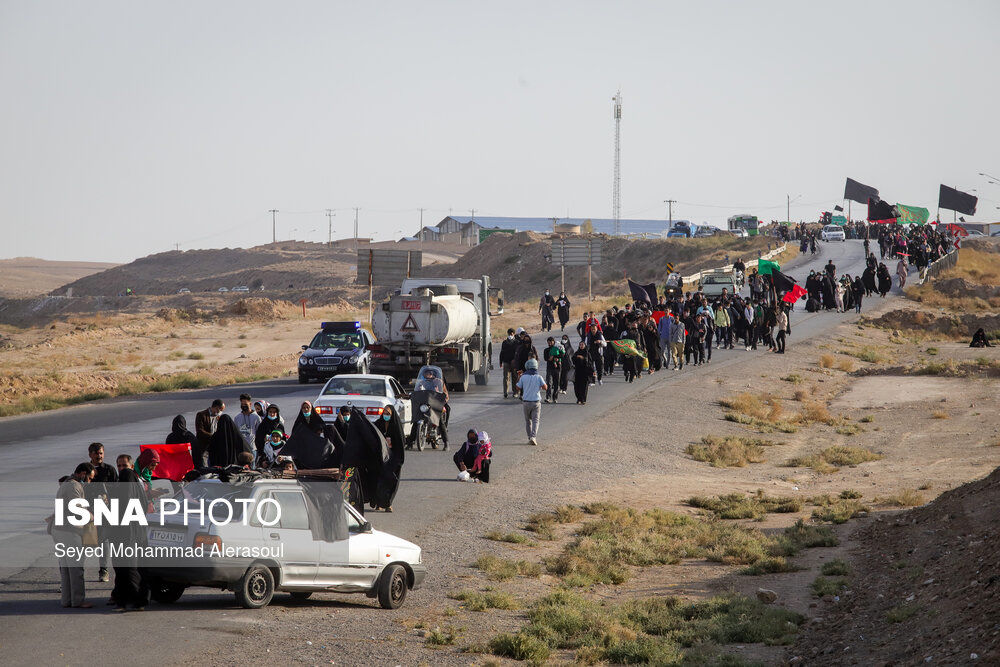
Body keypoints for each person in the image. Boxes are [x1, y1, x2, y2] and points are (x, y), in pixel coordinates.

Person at [109, 456, 149, 612]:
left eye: (124, 466)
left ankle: (128, 602)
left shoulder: (125, 481)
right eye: (119, 466)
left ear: (132, 466)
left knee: (128, 568)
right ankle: (134, 601)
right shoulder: (136, 484)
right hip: (135, 532)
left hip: (127, 533)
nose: (121, 469)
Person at [52, 462, 95, 609]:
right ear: (82, 474)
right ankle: (78, 600)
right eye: (89, 478)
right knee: (76, 567)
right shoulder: (74, 486)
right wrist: (92, 516)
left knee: (66, 567)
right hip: (69, 531)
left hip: (60, 529)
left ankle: (67, 600)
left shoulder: (67, 484)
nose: (89, 482)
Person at [86, 443, 117, 583]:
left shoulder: (109, 470)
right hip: (88, 511)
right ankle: (76, 572)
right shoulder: (85, 469)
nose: (99, 456)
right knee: (85, 542)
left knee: (104, 541)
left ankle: (103, 570)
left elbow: (118, 489)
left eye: (101, 453)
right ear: (90, 455)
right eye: (96, 453)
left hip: (105, 512)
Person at [373, 405, 406, 512]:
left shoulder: (396, 426)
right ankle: (379, 503)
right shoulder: (379, 424)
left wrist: (399, 459)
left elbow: (401, 442)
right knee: (379, 480)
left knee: (392, 481)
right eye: (384, 413)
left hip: (393, 457)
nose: (385, 415)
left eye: (388, 414)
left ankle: (388, 504)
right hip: (381, 457)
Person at [410, 366, 450, 449]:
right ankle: (410, 442)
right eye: (426, 374)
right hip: (424, 403)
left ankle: (446, 443)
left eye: (430, 374)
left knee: (440, 421)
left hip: (435, 403)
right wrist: (413, 395)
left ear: (433, 374)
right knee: (416, 420)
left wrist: (444, 399)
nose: (428, 375)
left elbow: (444, 394)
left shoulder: (439, 382)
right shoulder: (421, 382)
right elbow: (417, 391)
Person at [515, 359, 546, 445]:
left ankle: (529, 437)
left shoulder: (523, 377)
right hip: (536, 402)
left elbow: (517, 388)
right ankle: (533, 437)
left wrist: (519, 376)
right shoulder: (539, 377)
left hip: (526, 402)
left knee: (528, 421)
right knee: (536, 420)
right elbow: (545, 387)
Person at [194, 399, 224, 467]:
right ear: (216, 408)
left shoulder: (218, 416)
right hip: (204, 445)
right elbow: (200, 431)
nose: (221, 412)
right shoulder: (201, 415)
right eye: (220, 410)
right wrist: (213, 436)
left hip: (214, 445)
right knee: (204, 464)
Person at [499, 328, 519, 399]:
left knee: (515, 377)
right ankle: (505, 392)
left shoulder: (517, 342)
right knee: (506, 378)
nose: (511, 335)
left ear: (514, 334)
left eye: (512, 333)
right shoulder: (504, 342)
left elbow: (518, 353)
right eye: (510, 333)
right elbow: (502, 352)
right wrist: (500, 362)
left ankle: (515, 392)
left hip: (514, 363)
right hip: (506, 362)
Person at [542, 336, 563, 403]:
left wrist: (554, 357)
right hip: (549, 368)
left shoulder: (558, 348)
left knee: (556, 383)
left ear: (554, 342)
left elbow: (562, 355)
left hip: (557, 368)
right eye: (548, 342)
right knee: (549, 383)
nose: (550, 343)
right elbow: (546, 358)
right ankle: (548, 397)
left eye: (551, 341)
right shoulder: (546, 350)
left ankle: (555, 398)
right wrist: (551, 359)